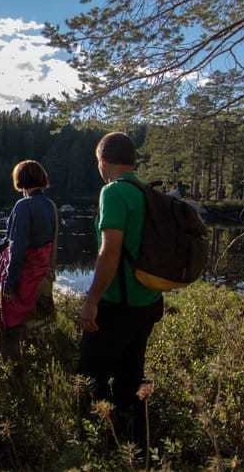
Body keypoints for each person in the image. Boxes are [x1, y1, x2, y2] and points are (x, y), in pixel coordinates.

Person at [77, 131, 164, 440]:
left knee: (90, 373)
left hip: (119, 302)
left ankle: (96, 437)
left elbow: (110, 250)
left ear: (102, 161)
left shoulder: (113, 192)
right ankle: (138, 433)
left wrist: (92, 301)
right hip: (149, 301)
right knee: (131, 372)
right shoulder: (145, 190)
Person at [0, 160, 59, 368]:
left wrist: (10, 285)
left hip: (25, 280)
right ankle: (43, 373)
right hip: (43, 280)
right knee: (40, 330)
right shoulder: (50, 206)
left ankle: (17, 379)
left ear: (20, 181)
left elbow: (19, 250)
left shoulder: (23, 206)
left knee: (7, 332)